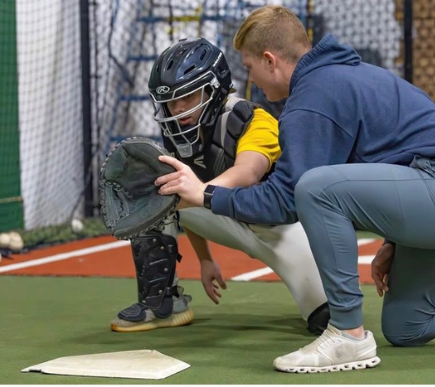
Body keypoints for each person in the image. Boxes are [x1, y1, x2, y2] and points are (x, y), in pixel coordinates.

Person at [156, 5, 435, 374]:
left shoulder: (312, 98)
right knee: (407, 325)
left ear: (270, 61)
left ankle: (347, 334)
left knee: (316, 188)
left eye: (250, 68)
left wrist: (205, 195)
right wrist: (396, 239)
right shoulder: (345, 76)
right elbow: (405, 153)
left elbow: (285, 200)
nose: (251, 81)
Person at [111, 36, 330, 336]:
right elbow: (188, 196)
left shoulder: (252, 119)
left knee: (326, 319)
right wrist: (205, 258)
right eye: (169, 102)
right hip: (229, 218)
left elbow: (247, 173)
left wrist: (197, 192)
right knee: (158, 190)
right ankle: (162, 302)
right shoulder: (179, 130)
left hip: (281, 228)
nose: (176, 110)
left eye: (187, 97)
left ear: (213, 89)